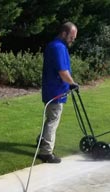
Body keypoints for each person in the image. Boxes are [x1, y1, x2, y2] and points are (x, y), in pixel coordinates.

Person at [37, 22, 79, 163]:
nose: (73, 39)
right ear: (64, 33)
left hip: (51, 89)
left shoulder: (54, 45)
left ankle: (41, 141)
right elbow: (62, 71)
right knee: (53, 121)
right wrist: (72, 83)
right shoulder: (58, 47)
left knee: (50, 117)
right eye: (72, 36)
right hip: (56, 91)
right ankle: (46, 152)